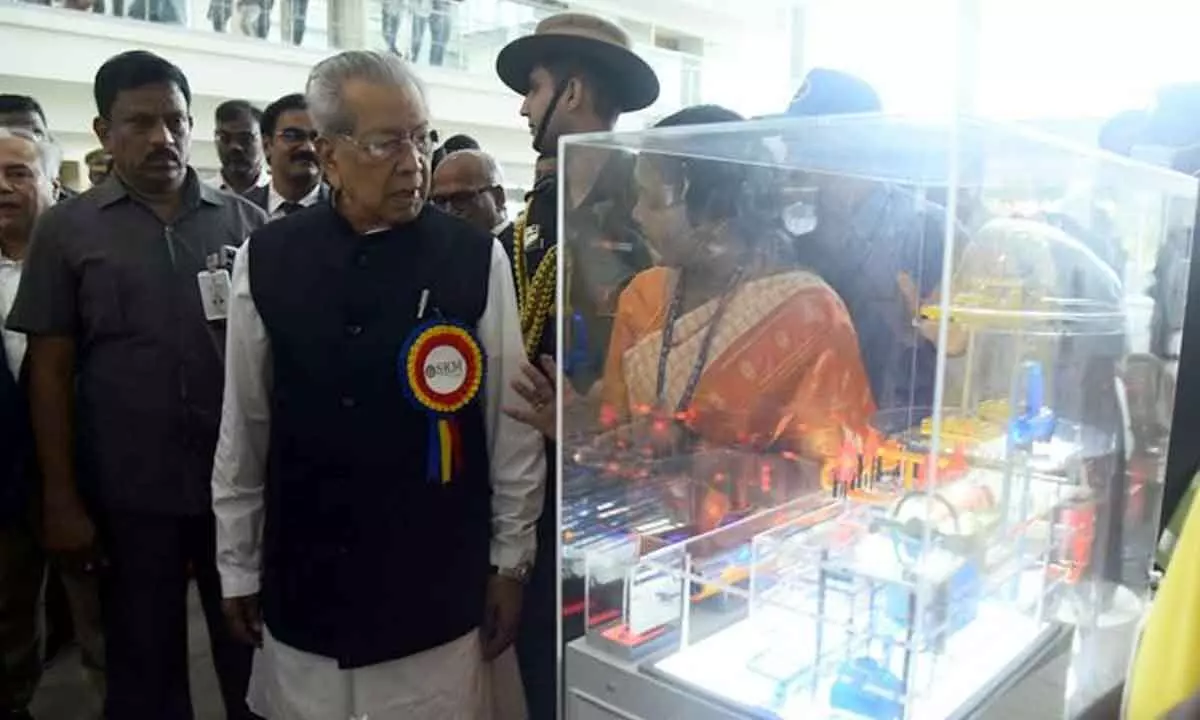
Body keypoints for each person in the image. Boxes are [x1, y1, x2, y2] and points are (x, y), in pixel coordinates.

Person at [211, 50, 544, 720]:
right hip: (306, 572)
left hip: (432, 579)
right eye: (385, 142)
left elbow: (507, 429)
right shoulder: (268, 259)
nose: (413, 161)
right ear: (330, 155)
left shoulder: (474, 258)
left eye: (421, 137)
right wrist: (237, 563)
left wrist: (511, 561)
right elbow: (244, 427)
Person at [6, 50, 265, 720]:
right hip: (126, 499)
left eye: (176, 120)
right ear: (103, 131)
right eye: (141, 123)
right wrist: (61, 498)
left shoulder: (245, 226)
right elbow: (51, 371)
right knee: (142, 677)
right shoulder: (66, 231)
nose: (163, 138)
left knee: (252, 663)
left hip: (231, 494)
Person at [600, 105, 876, 525]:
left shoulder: (810, 315)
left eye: (653, 200)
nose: (637, 214)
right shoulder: (643, 295)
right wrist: (579, 426)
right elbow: (615, 431)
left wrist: (711, 463)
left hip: (756, 563)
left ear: (718, 213)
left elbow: (838, 478)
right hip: (636, 543)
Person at [495, 12, 658, 718]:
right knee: (540, 666)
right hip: (537, 479)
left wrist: (594, 424)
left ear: (574, 89)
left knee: (607, 668)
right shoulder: (541, 205)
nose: (524, 106)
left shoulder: (652, 201)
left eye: (534, 87)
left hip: (623, 482)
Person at [0, 127, 58, 720]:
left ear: (48, 180)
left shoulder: (83, 256)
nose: (2, 188)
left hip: (87, 481)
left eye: (18, 173)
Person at [244, 93, 326, 219]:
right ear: (267, 145)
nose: (308, 148)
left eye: (316, 138)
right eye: (292, 136)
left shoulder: (349, 211)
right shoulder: (240, 211)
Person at [430, 148, 511, 247]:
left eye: (461, 198)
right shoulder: (438, 250)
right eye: (440, 201)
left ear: (498, 198)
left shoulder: (523, 253)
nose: (449, 210)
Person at [209, 100, 268, 195]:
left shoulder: (281, 197)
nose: (234, 147)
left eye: (245, 138)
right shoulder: (200, 195)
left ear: (265, 142)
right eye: (224, 138)